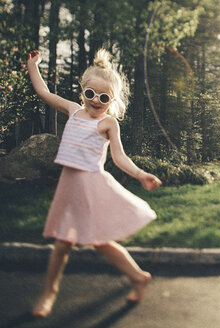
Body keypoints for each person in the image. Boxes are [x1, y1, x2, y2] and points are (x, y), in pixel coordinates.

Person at [27, 49, 162, 318]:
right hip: (68, 185)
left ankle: (138, 276)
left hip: (91, 186)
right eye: (90, 94)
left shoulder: (108, 123)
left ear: (111, 101)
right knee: (63, 242)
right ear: (83, 92)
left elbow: (119, 156)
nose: (95, 101)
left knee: (99, 242)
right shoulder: (73, 111)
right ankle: (49, 294)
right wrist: (33, 66)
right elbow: (43, 92)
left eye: (103, 98)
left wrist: (140, 174)